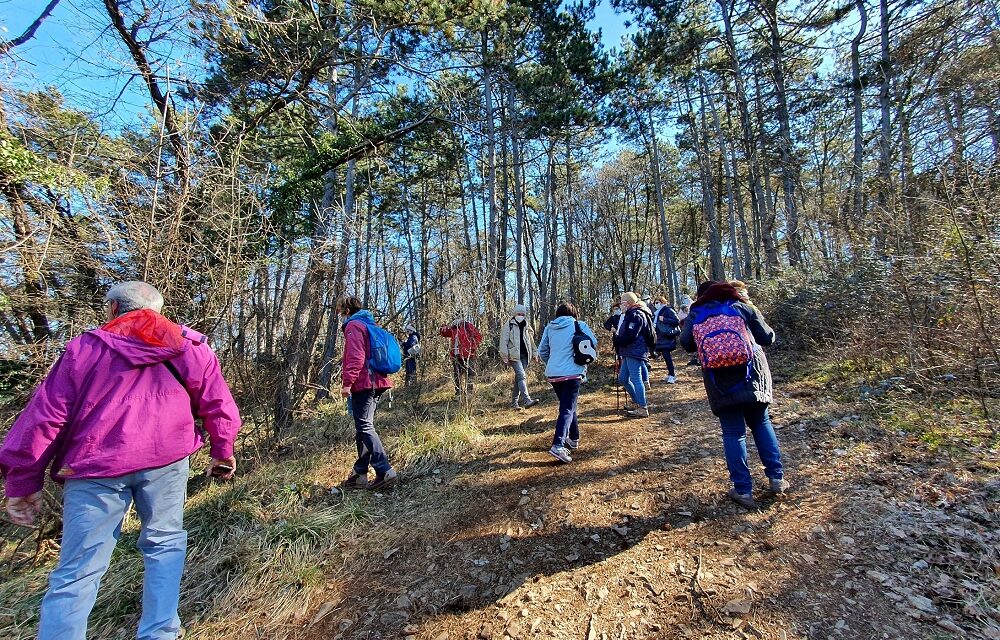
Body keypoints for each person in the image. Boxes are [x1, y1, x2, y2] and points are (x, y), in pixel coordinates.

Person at [0, 281, 241, 640]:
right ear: (158, 309)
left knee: (78, 569)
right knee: (165, 543)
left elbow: (46, 418)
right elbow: (217, 402)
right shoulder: (190, 346)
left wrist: (22, 480)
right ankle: (159, 632)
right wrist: (222, 450)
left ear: (113, 309)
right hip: (165, 460)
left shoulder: (85, 349)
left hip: (95, 467)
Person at [679, 280, 787, 509]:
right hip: (753, 372)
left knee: (733, 433)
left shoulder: (696, 313)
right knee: (761, 422)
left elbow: (686, 344)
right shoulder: (743, 306)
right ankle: (776, 479)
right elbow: (767, 337)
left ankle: (743, 490)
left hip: (719, 380)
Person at [339, 295, 397, 491]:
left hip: (365, 382)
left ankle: (384, 470)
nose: (340, 316)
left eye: (341, 312)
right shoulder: (367, 324)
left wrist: (347, 383)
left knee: (364, 426)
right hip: (375, 381)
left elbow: (356, 356)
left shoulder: (354, 326)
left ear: (347, 311)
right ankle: (360, 473)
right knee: (362, 427)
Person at [537, 302, 598, 463]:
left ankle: (574, 438)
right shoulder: (579, 325)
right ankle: (558, 445)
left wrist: (552, 363)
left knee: (569, 406)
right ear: (574, 313)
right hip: (573, 372)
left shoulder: (549, 327)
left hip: (554, 373)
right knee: (567, 408)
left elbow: (542, 351)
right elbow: (593, 342)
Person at [613, 292, 654, 418]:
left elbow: (631, 335)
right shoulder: (631, 314)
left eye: (622, 303)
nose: (620, 305)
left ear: (628, 303)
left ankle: (642, 407)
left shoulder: (636, 315)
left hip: (635, 351)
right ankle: (637, 402)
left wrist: (618, 340)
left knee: (636, 379)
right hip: (629, 351)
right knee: (623, 378)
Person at [499, 304, 539, 409]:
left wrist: (535, 353)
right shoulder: (508, 325)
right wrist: (504, 356)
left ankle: (514, 403)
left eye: (523, 314)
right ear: (515, 314)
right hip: (514, 356)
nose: (521, 316)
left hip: (525, 355)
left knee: (519, 378)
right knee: (522, 376)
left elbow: (531, 341)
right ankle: (527, 400)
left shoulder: (527, 325)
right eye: (519, 314)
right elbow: (503, 341)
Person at [439, 317, 483, 397]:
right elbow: (444, 333)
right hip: (456, 355)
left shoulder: (468, 326)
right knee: (457, 374)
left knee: (470, 373)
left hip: (468, 355)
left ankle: (469, 392)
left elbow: (478, 336)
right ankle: (458, 393)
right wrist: (443, 327)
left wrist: (472, 347)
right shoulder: (453, 328)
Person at [652, 295, 680, 384]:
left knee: (667, 356)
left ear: (662, 302)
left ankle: (672, 375)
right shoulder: (657, 313)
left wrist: (664, 319)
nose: (656, 304)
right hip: (661, 338)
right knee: (665, 356)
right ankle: (670, 374)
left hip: (667, 337)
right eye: (655, 303)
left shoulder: (668, 310)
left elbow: (676, 321)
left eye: (657, 302)